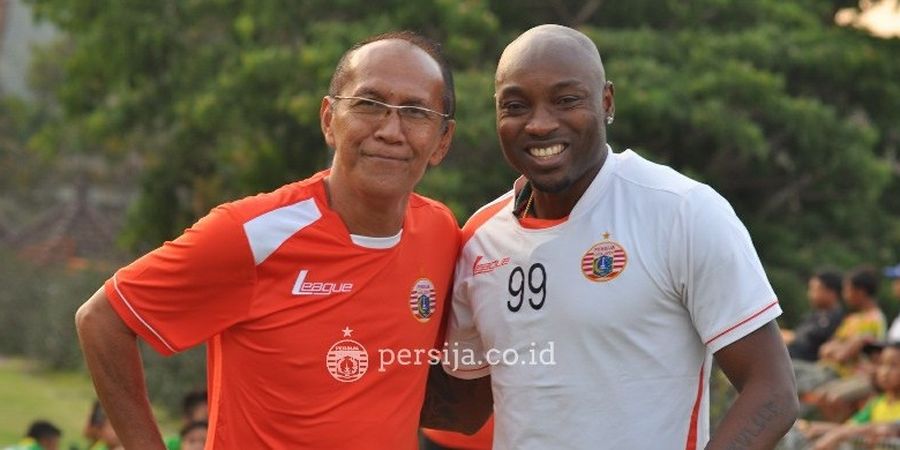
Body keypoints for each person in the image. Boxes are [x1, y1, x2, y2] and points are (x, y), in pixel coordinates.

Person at [75, 31, 460, 448]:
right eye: (369, 104)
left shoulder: (441, 233)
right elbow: (102, 321)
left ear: (441, 142)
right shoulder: (253, 234)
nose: (390, 130)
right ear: (329, 120)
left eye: (416, 112)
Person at [442, 24, 798, 449]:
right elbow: (461, 409)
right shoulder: (480, 238)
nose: (539, 124)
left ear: (606, 101)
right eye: (516, 105)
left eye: (566, 100)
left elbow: (773, 393)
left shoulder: (681, 210)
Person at [803, 266, 886, 421]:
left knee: (831, 397)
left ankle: (837, 436)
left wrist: (842, 348)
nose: (845, 295)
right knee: (820, 394)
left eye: (848, 290)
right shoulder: (852, 319)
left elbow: (843, 355)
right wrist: (847, 346)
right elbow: (825, 349)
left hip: (857, 375)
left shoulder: (874, 320)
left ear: (860, 292)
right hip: (835, 371)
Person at [794, 342, 900, 450]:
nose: (884, 372)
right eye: (882, 364)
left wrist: (838, 435)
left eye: (893, 365)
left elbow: (885, 429)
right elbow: (850, 427)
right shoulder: (877, 403)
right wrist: (812, 427)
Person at [785, 270, 845, 362]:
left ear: (831, 292)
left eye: (815, 289)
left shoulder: (837, 319)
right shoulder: (812, 316)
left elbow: (807, 341)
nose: (810, 294)